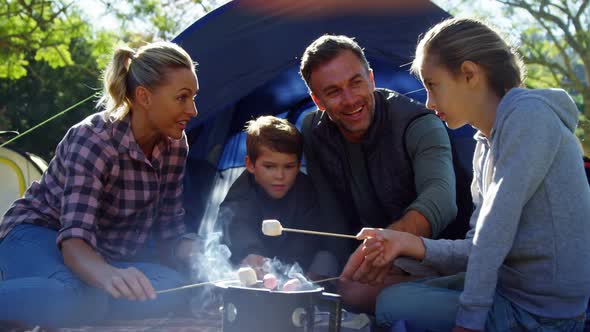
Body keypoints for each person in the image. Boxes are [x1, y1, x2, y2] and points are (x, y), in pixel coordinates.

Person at [346, 17, 590, 331]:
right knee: (383, 293)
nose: (430, 103)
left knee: (391, 306)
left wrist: (470, 321)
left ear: (470, 74)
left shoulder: (530, 117)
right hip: (508, 289)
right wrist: (405, 244)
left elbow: (494, 229)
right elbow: (478, 247)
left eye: (433, 86)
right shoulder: (484, 143)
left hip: (541, 314)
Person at [0, 41, 200, 329]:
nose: (192, 110)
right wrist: (106, 276)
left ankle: (60, 302)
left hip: (100, 254)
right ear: (144, 96)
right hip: (40, 234)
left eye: (193, 97)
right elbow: (74, 240)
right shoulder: (93, 139)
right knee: (79, 297)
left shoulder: (175, 145)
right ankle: (68, 299)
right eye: (182, 98)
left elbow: (170, 232)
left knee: (175, 287)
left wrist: (211, 255)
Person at [299, 34, 457, 311]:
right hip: (366, 257)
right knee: (326, 287)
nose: (350, 100)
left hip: (436, 252)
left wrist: (387, 245)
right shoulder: (314, 131)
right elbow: (329, 211)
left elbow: (441, 199)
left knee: (356, 295)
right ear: (317, 100)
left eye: (356, 82)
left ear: (371, 79)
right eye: (333, 91)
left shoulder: (419, 123)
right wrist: (342, 270)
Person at [217, 116, 324, 277]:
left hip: (294, 267)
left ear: (299, 164)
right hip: (249, 266)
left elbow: (307, 235)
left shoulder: (305, 190)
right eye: (269, 166)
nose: (280, 176)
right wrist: (251, 252)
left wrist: (285, 269)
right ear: (250, 165)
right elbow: (237, 224)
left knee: (325, 260)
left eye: (289, 167)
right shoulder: (242, 190)